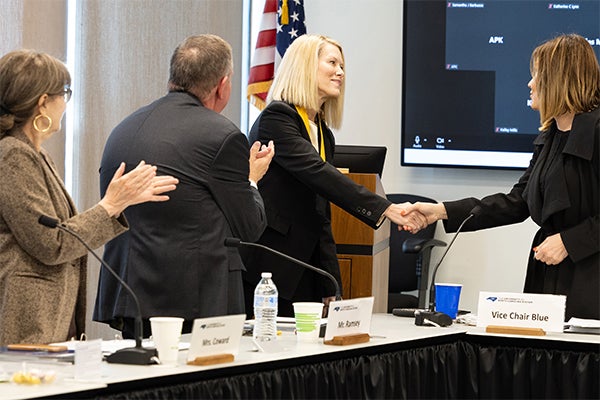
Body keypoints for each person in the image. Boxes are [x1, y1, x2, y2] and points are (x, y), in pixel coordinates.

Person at [404, 34, 599, 321]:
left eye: (537, 76)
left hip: (590, 280)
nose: (530, 84)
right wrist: (440, 211)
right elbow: (517, 202)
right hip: (547, 276)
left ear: (559, 80)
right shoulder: (550, 137)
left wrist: (570, 241)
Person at [93, 34, 275, 338]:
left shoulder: (122, 129)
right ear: (222, 84)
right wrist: (251, 178)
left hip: (131, 295)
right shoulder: (222, 136)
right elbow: (250, 226)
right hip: (196, 306)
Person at [0, 50, 178, 346]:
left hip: (47, 319)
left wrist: (119, 203)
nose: (66, 104)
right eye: (65, 93)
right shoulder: (13, 155)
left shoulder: (36, 153)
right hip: (24, 322)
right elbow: (51, 243)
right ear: (43, 102)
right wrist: (110, 205)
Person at [242, 34, 426, 318]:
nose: (341, 72)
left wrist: (331, 280)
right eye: (332, 63)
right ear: (304, 67)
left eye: (342, 66)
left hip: (308, 266)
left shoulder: (323, 132)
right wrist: (385, 207)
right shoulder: (276, 119)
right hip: (274, 265)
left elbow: (321, 212)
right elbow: (319, 175)